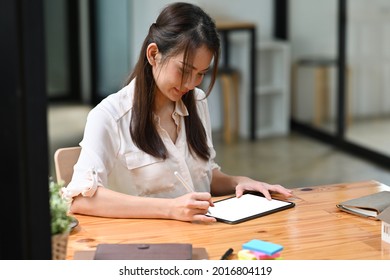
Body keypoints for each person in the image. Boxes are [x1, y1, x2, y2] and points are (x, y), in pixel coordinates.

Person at [62, 2, 292, 223]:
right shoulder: (109, 117)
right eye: (184, 71)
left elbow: (199, 177)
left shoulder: (197, 102)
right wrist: (170, 209)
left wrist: (239, 182)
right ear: (153, 55)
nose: (192, 84)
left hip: (202, 235)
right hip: (146, 246)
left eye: (201, 74)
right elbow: (81, 200)